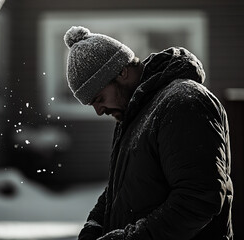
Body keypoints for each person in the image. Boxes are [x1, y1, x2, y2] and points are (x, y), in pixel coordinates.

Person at [63, 26, 233, 240]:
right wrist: (96, 223)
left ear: (121, 72)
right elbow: (124, 188)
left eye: (99, 98)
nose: (99, 111)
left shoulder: (183, 102)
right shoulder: (136, 112)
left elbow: (198, 198)